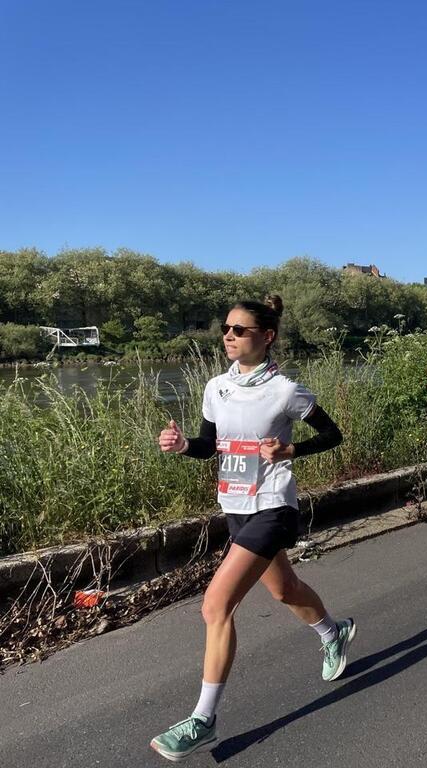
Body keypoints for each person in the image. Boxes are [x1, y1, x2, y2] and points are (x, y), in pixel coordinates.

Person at [150, 295, 350, 762]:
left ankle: (203, 718)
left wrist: (290, 452)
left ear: (267, 336)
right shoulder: (216, 387)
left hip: (274, 506)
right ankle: (332, 632)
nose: (229, 336)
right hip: (235, 507)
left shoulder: (285, 391)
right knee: (284, 589)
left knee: (216, 605)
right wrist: (183, 446)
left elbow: (332, 435)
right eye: (226, 329)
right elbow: (209, 446)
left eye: (240, 330)